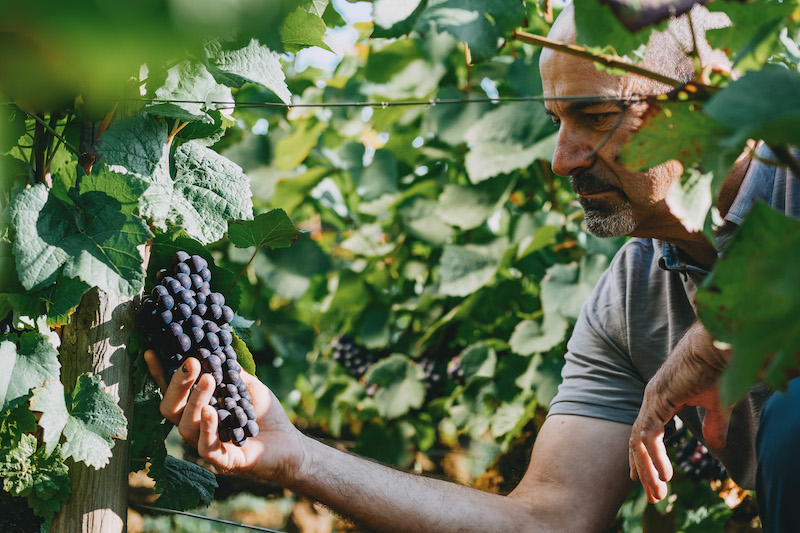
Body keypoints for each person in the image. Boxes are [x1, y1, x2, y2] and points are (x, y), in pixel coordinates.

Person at [145, 5, 800, 532]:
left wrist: (711, 339)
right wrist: (297, 457)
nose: (562, 159)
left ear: (707, 94)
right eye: (556, 120)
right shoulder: (626, 306)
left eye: (594, 116)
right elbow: (546, 519)